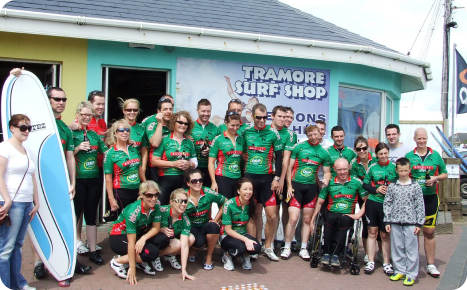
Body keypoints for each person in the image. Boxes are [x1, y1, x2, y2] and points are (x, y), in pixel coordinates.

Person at [0, 114, 39, 290]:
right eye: (23, 127)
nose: (26, 131)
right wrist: (6, 200)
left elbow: (33, 178)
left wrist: (36, 202)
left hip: (26, 203)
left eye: (28, 128)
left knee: (17, 245)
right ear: (12, 128)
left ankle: (18, 284)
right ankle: (5, 285)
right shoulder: (4, 148)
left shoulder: (27, 151)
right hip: (12, 203)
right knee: (6, 247)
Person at [281, 123, 331, 260]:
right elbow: (289, 168)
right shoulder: (299, 147)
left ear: (320, 134)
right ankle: (287, 247)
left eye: (315, 134)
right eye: (310, 135)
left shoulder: (324, 153)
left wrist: (326, 180)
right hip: (296, 186)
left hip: (311, 188)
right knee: (293, 218)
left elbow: (327, 172)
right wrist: (289, 186)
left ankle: (304, 247)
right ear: (307, 136)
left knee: (307, 219)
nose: (313, 137)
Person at [242, 103, 283, 261]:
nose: (261, 120)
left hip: (267, 178)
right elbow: (243, 153)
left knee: (272, 216)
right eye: (258, 117)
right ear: (252, 117)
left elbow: (279, 157)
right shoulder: (246, 132)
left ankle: (268, 246)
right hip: (250, 178)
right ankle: (255, 244)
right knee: (254, 214)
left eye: (264, 117)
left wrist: (277, 178)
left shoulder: (273, 133)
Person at [109, 181, 171, 285]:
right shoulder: (133, 212)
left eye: (156, 195)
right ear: (141, 195)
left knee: (163, 239)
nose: (154, 198)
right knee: (152, 252)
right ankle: (117, 262)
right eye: (149, 195)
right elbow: (131, 242)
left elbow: (156, 228)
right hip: (119, 236)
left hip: (138, 234)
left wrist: (143, 239)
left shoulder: (156, 206)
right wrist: (132, 268)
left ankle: (139, 261)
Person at [405, 127, 448, 278]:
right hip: (413, 200)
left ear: (426, 139)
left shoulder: (436, 155)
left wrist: (436, 178)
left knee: (429, 232)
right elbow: (404, 175)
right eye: (419, 138)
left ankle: (430, 264)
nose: (422, 141)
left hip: (430, 198)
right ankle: (413, 263)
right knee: (413, 231)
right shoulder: (409, 156)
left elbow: (444, 173)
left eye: (424, 138)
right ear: (414, 139)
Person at [310, 158, 367, 268]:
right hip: (332, 213)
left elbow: (367, 200)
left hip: (347, 215)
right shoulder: (330, 183)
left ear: (349, 168)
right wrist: (312, 220)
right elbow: (319, 203)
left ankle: (336, 255)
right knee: (330, 218)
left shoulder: (356, 183)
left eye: (345, 169)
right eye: (339, 170)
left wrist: (358, 214)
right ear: (334, 169)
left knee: (345, 219)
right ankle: (326, 253)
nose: (342, 172)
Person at [69, 90, 107, 255]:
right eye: (98, 103)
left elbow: (106, 149)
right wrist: (77, 147)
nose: (101, 107)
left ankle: (91, 246)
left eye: (103, 104)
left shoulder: (100, 125)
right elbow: (66, 154)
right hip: (78, 175)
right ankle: (76, 242)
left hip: (96, 172)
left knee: (91, 210)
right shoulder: (73, 129)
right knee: (77, 211)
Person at [384, 157, 425, 286]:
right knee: (397, 247)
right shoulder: (392, 186)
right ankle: (400, 270)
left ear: (409, 170)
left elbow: (419, 205)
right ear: (396, 170)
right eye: (400, 171)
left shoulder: (415, 186)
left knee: (411, 249)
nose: (403, 173)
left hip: (411, 222)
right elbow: (387, 203)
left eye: (405, 170)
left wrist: (419, 222)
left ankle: (411, 274)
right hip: (395, 221)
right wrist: (387, 220)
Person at [363, 142, 397, 275]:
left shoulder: (394, 167)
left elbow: (400, 183)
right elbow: (365, 185)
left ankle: (387, 263)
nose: (383, 156)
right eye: (380, 154)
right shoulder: (372, 167)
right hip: (373, 203)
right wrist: (376, 189)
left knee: (385, 234)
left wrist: (391, 189)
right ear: (376, 155)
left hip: (388, 205)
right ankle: (371, 261)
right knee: (372, 232)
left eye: (385, 153)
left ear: (388, 154)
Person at [152, 111, 197, 205]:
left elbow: (195, 162)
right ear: (173, 123)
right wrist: (173, 164)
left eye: (186, 123)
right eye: (180, 122)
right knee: (162, 208)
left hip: (183, 179)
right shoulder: (165, 139)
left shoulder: (189, 142)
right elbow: (154, 161)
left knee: (182, 207)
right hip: (166, 179)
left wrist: (190, 164)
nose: (183, 125)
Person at [349, 135, 382, 264]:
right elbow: (355, 181)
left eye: (364, 148)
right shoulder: (353, 164)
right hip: (364, 196)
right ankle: (368, 254)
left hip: (379, 195)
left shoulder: (375, 159)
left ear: (368, 148)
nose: (362, 151)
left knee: (380, 225)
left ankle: (380, 252)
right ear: (355, 150)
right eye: (359, 149)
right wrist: (364, 193)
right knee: (367, 225)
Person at [184, 169, 225, 270]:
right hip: (190, 227)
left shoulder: (208, 192)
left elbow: (226, 203)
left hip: (205, 224)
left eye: (200, 180)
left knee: (214, 227)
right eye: (194, 181)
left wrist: (216, 219)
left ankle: (208, 256)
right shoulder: (183, 195)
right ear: (188, 183)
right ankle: (192, 250)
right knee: (199, 243)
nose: (198, 183)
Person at [104, 120, 144, 219]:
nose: (125, 132)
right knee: (125, 220)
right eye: (121, 130)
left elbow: (139, 168)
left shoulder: (133, 148)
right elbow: (108, 179)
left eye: (127, 130)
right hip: (121, 190)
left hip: (137, 189)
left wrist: (145, 187)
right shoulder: (110, 153)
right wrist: (111, 199)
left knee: (138, 218)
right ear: (115, 134)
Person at [221, 178, 262, 271]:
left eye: (250, 189)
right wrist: (246, 240)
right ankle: (227, 255)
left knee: (257, 247)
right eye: (245, 189)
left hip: (243, 234)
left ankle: (246, 256)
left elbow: (252, 222)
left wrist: (251, 239)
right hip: (227, 236)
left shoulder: (252, 203)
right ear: (238, 191)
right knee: (240, 248)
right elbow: (228, 230)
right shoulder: (229, 205)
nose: (248, 192)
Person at [270, 106, 296, 250]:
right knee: (272, 211)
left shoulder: (290, 135)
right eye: (281, 116)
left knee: (286, 209)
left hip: (283, 177)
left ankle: (286, 243)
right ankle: (271, 241)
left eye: (286, 117)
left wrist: (281, 179)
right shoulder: (267, 131)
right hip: (268, 175)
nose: (284, 119)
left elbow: (286, 160)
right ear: (273, 116)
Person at [159, 188, 196, 280]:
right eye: (180, 201)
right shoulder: (162, 211)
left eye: (185, 201)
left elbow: (184, 246)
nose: (183, 204)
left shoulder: (185, 219)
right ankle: (151, 256)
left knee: (190, 238)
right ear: (171, 202)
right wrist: (161, 229)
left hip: (172, 239)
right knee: (172, 242)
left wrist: (184, 270)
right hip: (157, 238)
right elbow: (147, 228)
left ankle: (167, 255)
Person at [208, 111, 245, 199]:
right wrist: (213, 182)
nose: (235, 128)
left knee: (236, 207)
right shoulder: (218, 139)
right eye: (232, 125)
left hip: (238, 177)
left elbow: (244, 158)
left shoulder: (241, 139)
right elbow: (211, 163)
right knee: (225, 207)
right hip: (223, 178)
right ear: (226, 123)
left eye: (237, 125)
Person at [142, 96, 174, 182]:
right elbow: (155, 143)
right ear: (158, 111)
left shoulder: (175, 122)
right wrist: (160, 123)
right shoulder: (152, 122)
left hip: (171, 164)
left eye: (170, 109)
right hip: (155, 165)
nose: (168, 112)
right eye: (165, 109)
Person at [190, 99, 220, 188]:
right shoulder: (190, 127)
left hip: (210, 169)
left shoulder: (215, 128)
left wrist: (211, 151)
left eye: (208, 111)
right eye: (203, 111)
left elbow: (220, 149)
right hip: (193, 168)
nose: (206, 114)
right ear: (197, 110)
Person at [120, 98, 148, 179]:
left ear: (138, 111)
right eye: (129, 110)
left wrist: (143, 168)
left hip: (136, 166)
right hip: (122, 167)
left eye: (135, 110)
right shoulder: (118, 126)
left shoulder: (142, 128)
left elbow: (144, 149)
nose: (132, 112)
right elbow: (112, 147)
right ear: (124, 111)